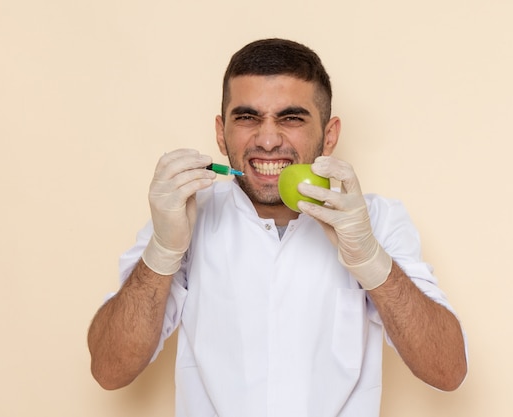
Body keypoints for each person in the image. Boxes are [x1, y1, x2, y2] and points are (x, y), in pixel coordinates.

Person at [87, 38, 467, 416]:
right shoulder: (181, 215)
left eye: (291, 118)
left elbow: (448, 370)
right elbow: (109, 369)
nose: (268, 140)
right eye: (247, 117)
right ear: (221, 133)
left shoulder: (378, 221)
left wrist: (372, 262)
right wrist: (163, 253)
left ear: (330, 134)